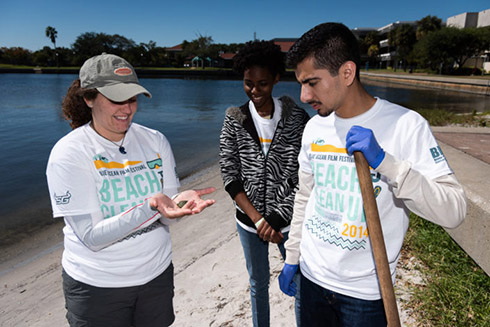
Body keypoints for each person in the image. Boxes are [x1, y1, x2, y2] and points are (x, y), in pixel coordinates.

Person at [278, 23, 467, 327]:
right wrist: (292, 256)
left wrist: (386, 163)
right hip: (311, 279)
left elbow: (454, 209)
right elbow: (305, 196)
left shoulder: (407, 126)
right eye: (300, 83)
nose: (303, 95)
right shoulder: (314, 128)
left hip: (367, 292)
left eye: (312, 82)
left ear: (347, 73)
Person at [46, 53, 215, 327]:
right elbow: (91, 237)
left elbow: (166, 207)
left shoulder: (155, 141)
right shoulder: (70, 153)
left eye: (132, 98)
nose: (127, 108)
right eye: (115, 99)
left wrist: (178, 204)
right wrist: (149, 207)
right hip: (98, 286)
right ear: (88, 98)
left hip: (156, 275)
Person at [219, 40, 309, 327]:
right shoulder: (234, 119)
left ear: (276, 80)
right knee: (258, 283)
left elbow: (304, 175)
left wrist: (277, 217)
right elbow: (229, 175)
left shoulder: (297, 119)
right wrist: (259, 220)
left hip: (288, 222)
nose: (255, 91)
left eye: (263, 84)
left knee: (299, 284)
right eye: (248, 84)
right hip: (249, 223)